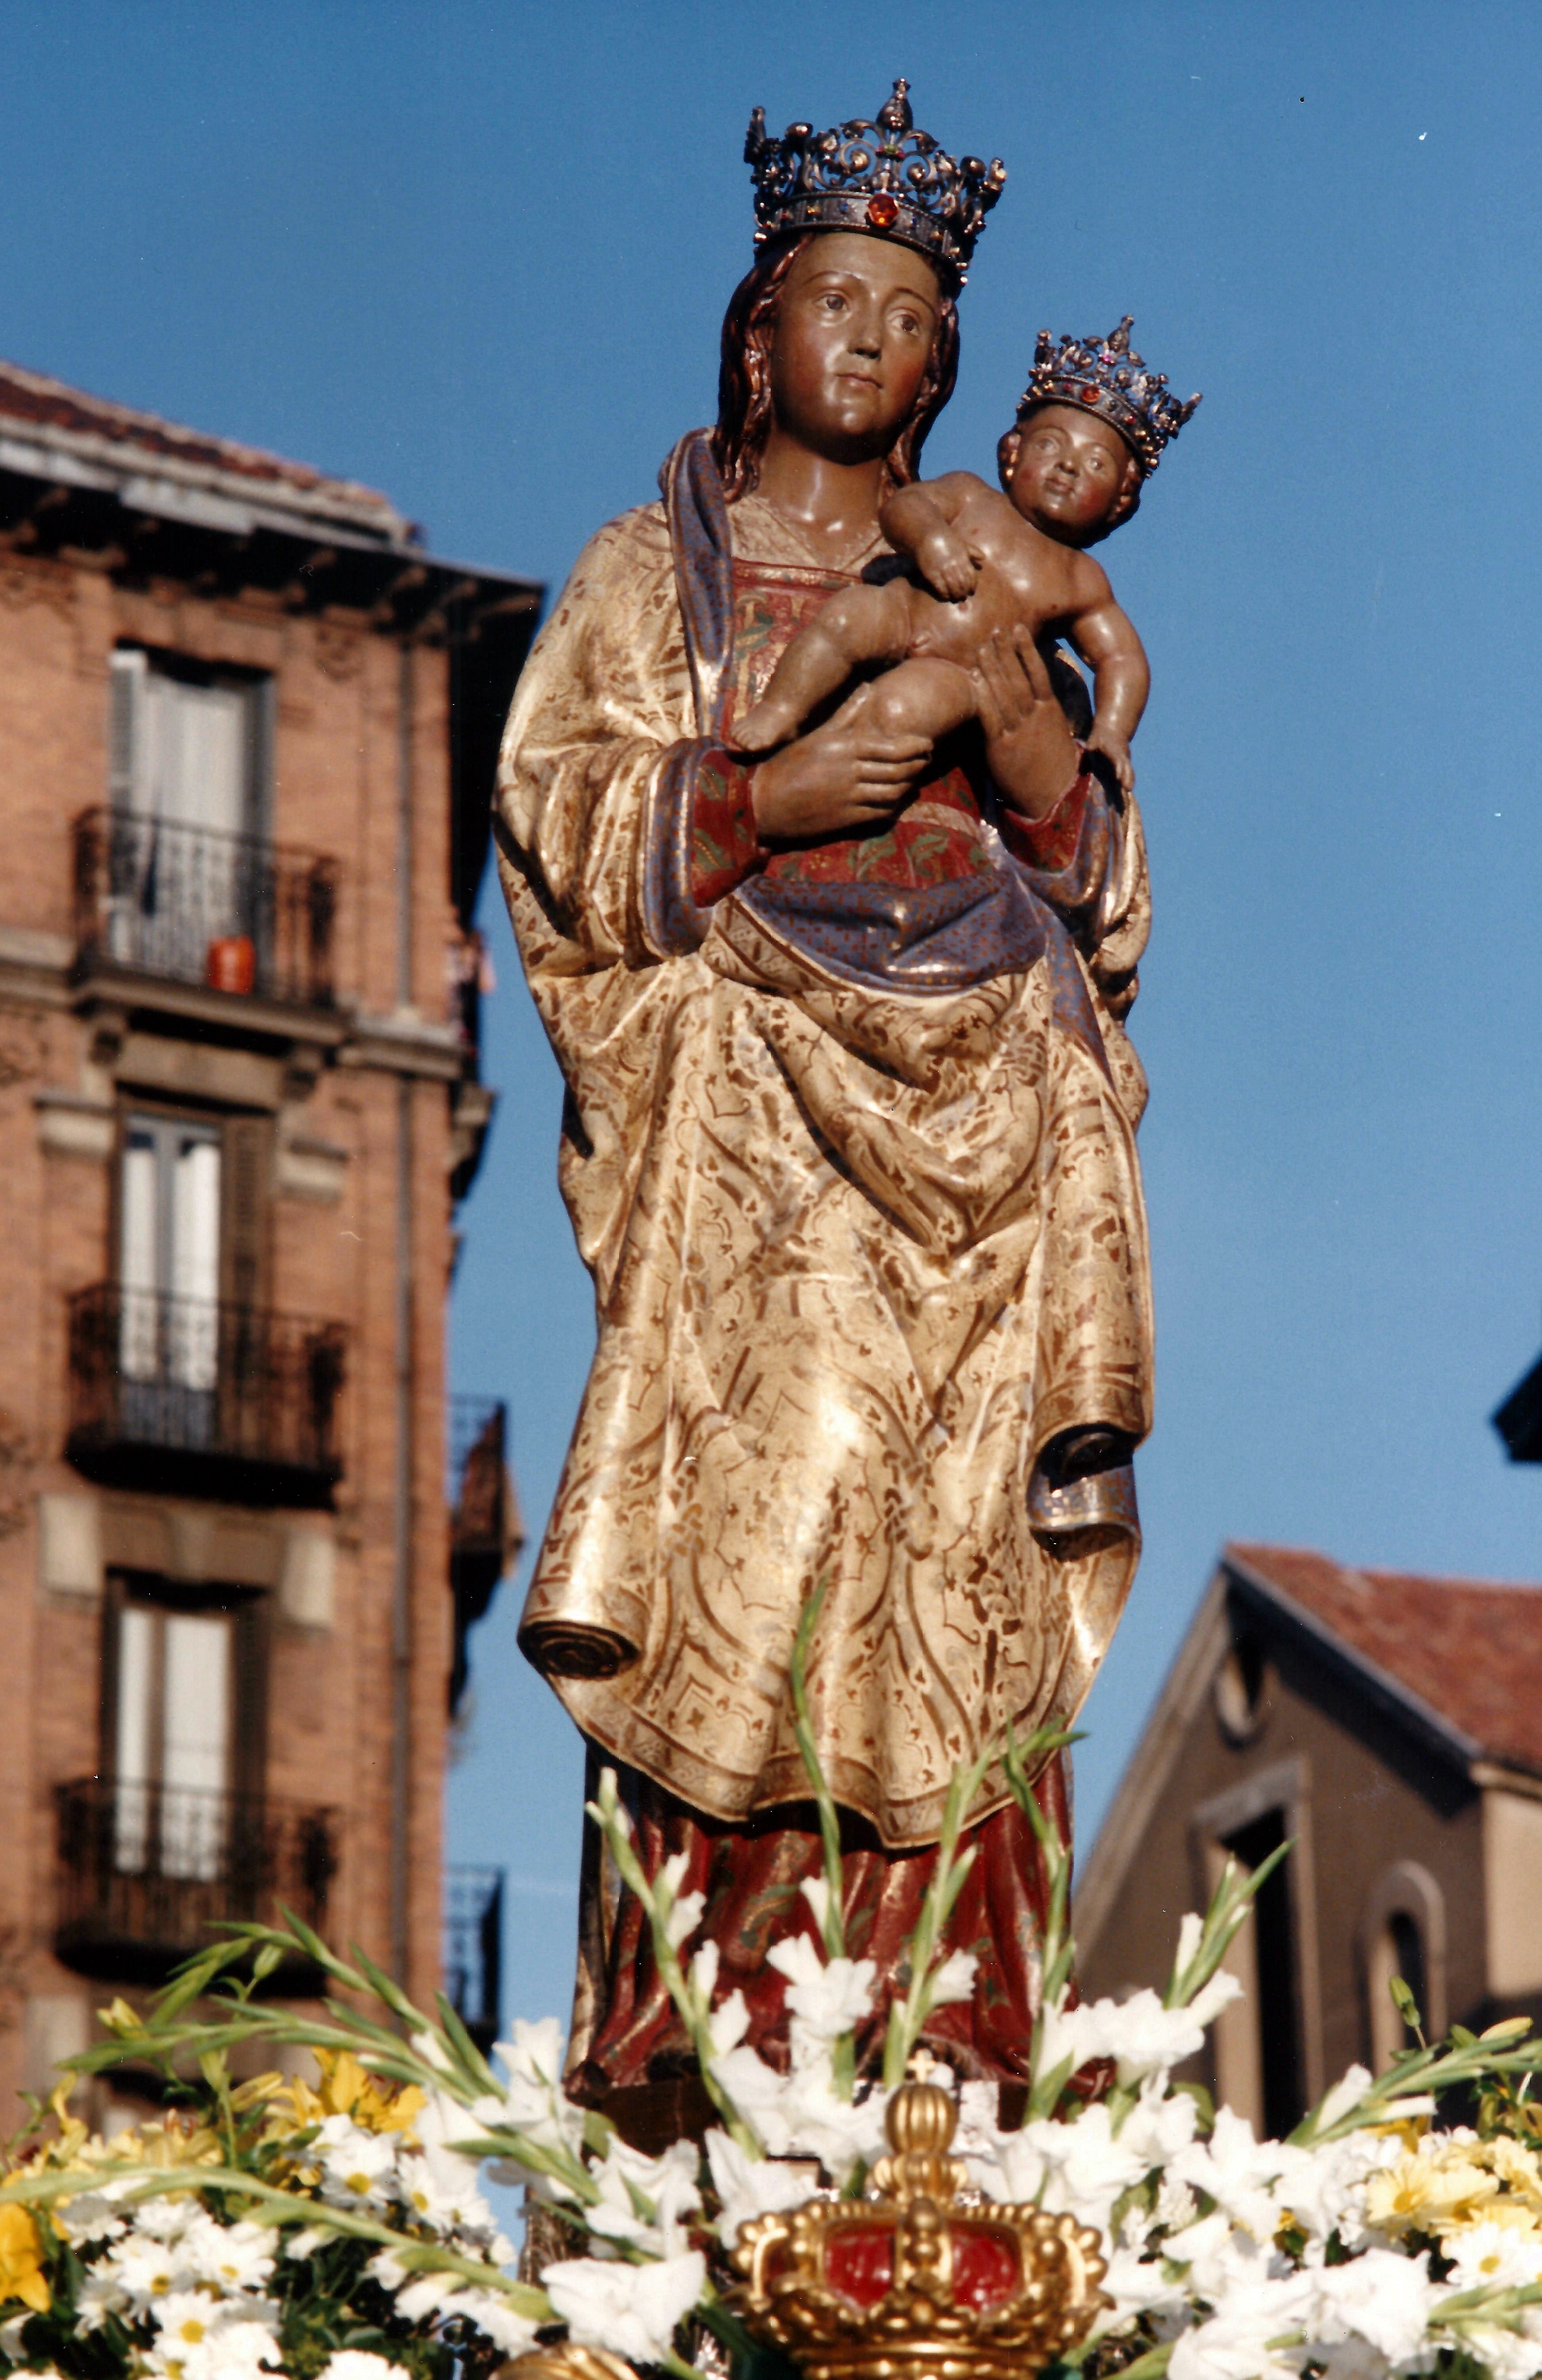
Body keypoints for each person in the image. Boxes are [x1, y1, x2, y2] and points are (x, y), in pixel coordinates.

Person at [494, 82, 1167, 2134]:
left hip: (988, 1112)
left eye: (907, 319)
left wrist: (1040, 750)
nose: (870, 345)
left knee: (948, 1537)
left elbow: (1107, 889)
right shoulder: (648, 568)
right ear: (756, 330)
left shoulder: (985, 557)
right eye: (832, 304)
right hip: (748, 1119)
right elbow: (552, 807)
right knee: (765, 1509)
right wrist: (761, 798)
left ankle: (948, 2033)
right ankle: (704, 2036)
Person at [730, 317, 1197, 789]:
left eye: (1096, 464)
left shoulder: (1081, 579)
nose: (1069, 466)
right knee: (847, 619)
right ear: (1013, 453)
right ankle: (783, 709)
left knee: (903, 709)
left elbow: (1122, 659)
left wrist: (1113, 731)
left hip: (960, 674)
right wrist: (932, 539)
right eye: (1051, 444)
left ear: (1120, 502)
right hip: (901, 612)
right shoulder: (972, 496)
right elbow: (905, 506)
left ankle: (823, 772)